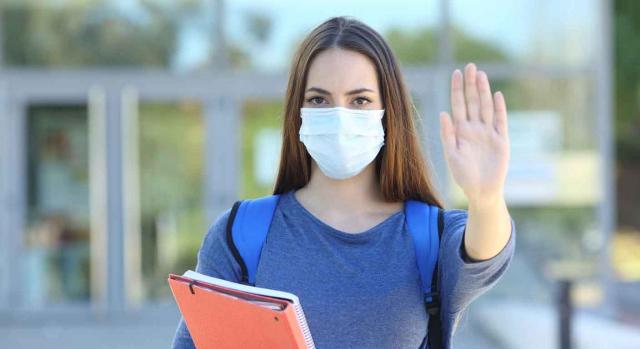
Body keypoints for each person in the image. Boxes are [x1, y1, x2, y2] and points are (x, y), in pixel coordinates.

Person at [172, 15, 515, 349]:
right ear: (298, 112)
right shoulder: (241, 234)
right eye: (319, 100)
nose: (339, 115)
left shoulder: (432, 237)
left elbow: (485, 252)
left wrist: (486, 198)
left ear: (388, 112)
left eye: (360, 100)